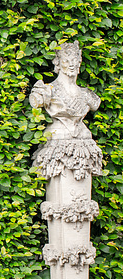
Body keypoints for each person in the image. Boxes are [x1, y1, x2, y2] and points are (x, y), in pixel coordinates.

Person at [29, 41, 101, 180]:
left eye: (74, 60)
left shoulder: (86, 94)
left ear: (79, 61)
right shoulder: (48, 91)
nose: (71, 64)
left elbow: (94, 104)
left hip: (81, 135)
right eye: (66, 60)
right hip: (58, 133)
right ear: (58, 63)